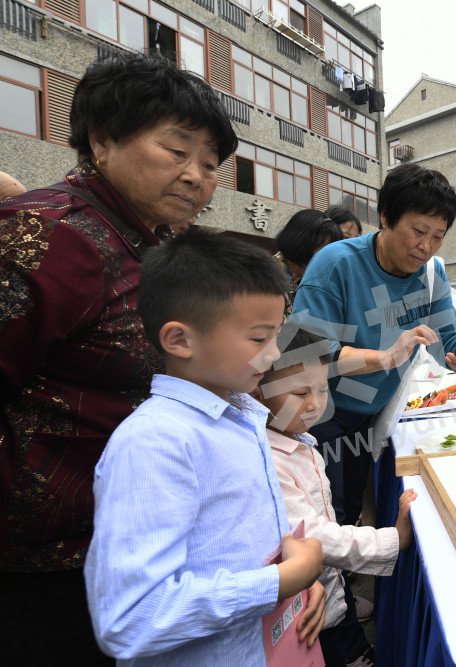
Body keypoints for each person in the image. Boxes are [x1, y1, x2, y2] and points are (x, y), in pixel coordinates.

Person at [0, 51, 236, 664]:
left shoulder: (151, 245)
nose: (196, 176)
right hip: (42, 572)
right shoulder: (46, 236)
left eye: (211, 163)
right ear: (102, 141)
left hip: (133, 543)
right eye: (177, 150)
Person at [85, 228, 325, 664]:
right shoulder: (155, 442)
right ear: (180, 340)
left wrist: (297, 583)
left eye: (276, 335)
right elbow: (131, 618)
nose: (274, 354)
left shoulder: (241, 417)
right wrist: (280, 583)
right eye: (259, 338)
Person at [291, 163, 456, 532]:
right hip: (320, 411)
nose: (426, 247)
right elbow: (311, 354)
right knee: (327, 514)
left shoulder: (431, 273)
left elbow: (448, 343)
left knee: (352, 506)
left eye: (438, 236)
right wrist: (386, 357)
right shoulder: (335, 264)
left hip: (370, 415)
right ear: (386, 217)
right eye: (419, 231)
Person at [256, 328, 416, 667]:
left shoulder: (300, 440)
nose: (315, 404)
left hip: (327, 599)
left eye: (322, 388)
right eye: (300, 392)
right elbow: (317, 537)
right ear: (258, 391)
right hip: (309, 620)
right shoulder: (269, 462)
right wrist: (392, 540)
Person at [275, 208, 344, 316]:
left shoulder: (306, 282)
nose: (329, 260)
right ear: (302, 243)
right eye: (325, 252)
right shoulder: (266, 276)